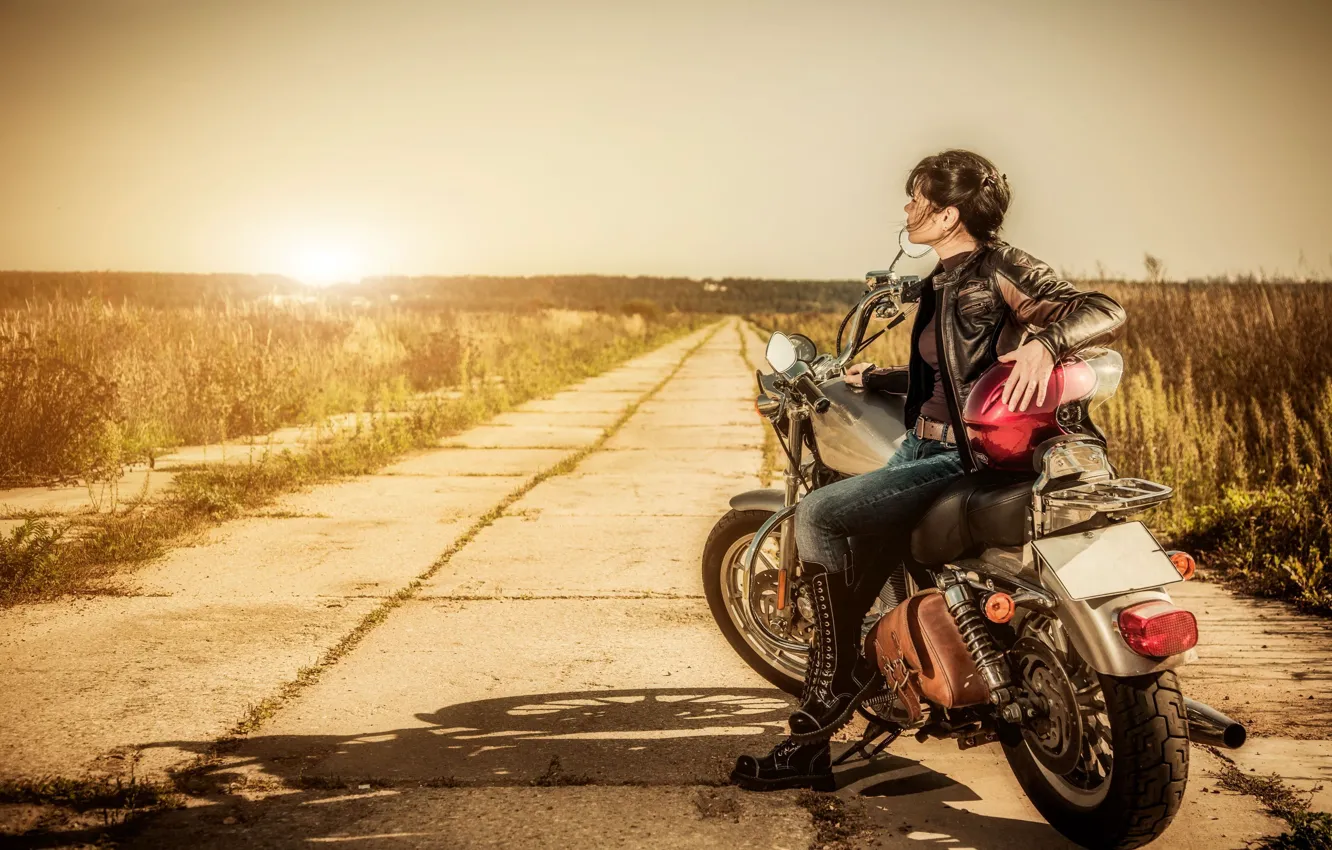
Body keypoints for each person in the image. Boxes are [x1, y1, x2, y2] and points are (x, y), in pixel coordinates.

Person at [730, 148, 1127, 791]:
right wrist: (879, 377)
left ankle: (834, 685)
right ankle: (854, 681)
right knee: (872, 559)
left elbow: (1101, 307)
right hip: (929, 442)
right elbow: (953, 365)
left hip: (955, 454)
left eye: (918, 199)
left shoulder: (1000, 264)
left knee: (819, 514)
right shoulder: (943, 279)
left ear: (949, 214)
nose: (907, 209)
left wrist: (1046, 342)